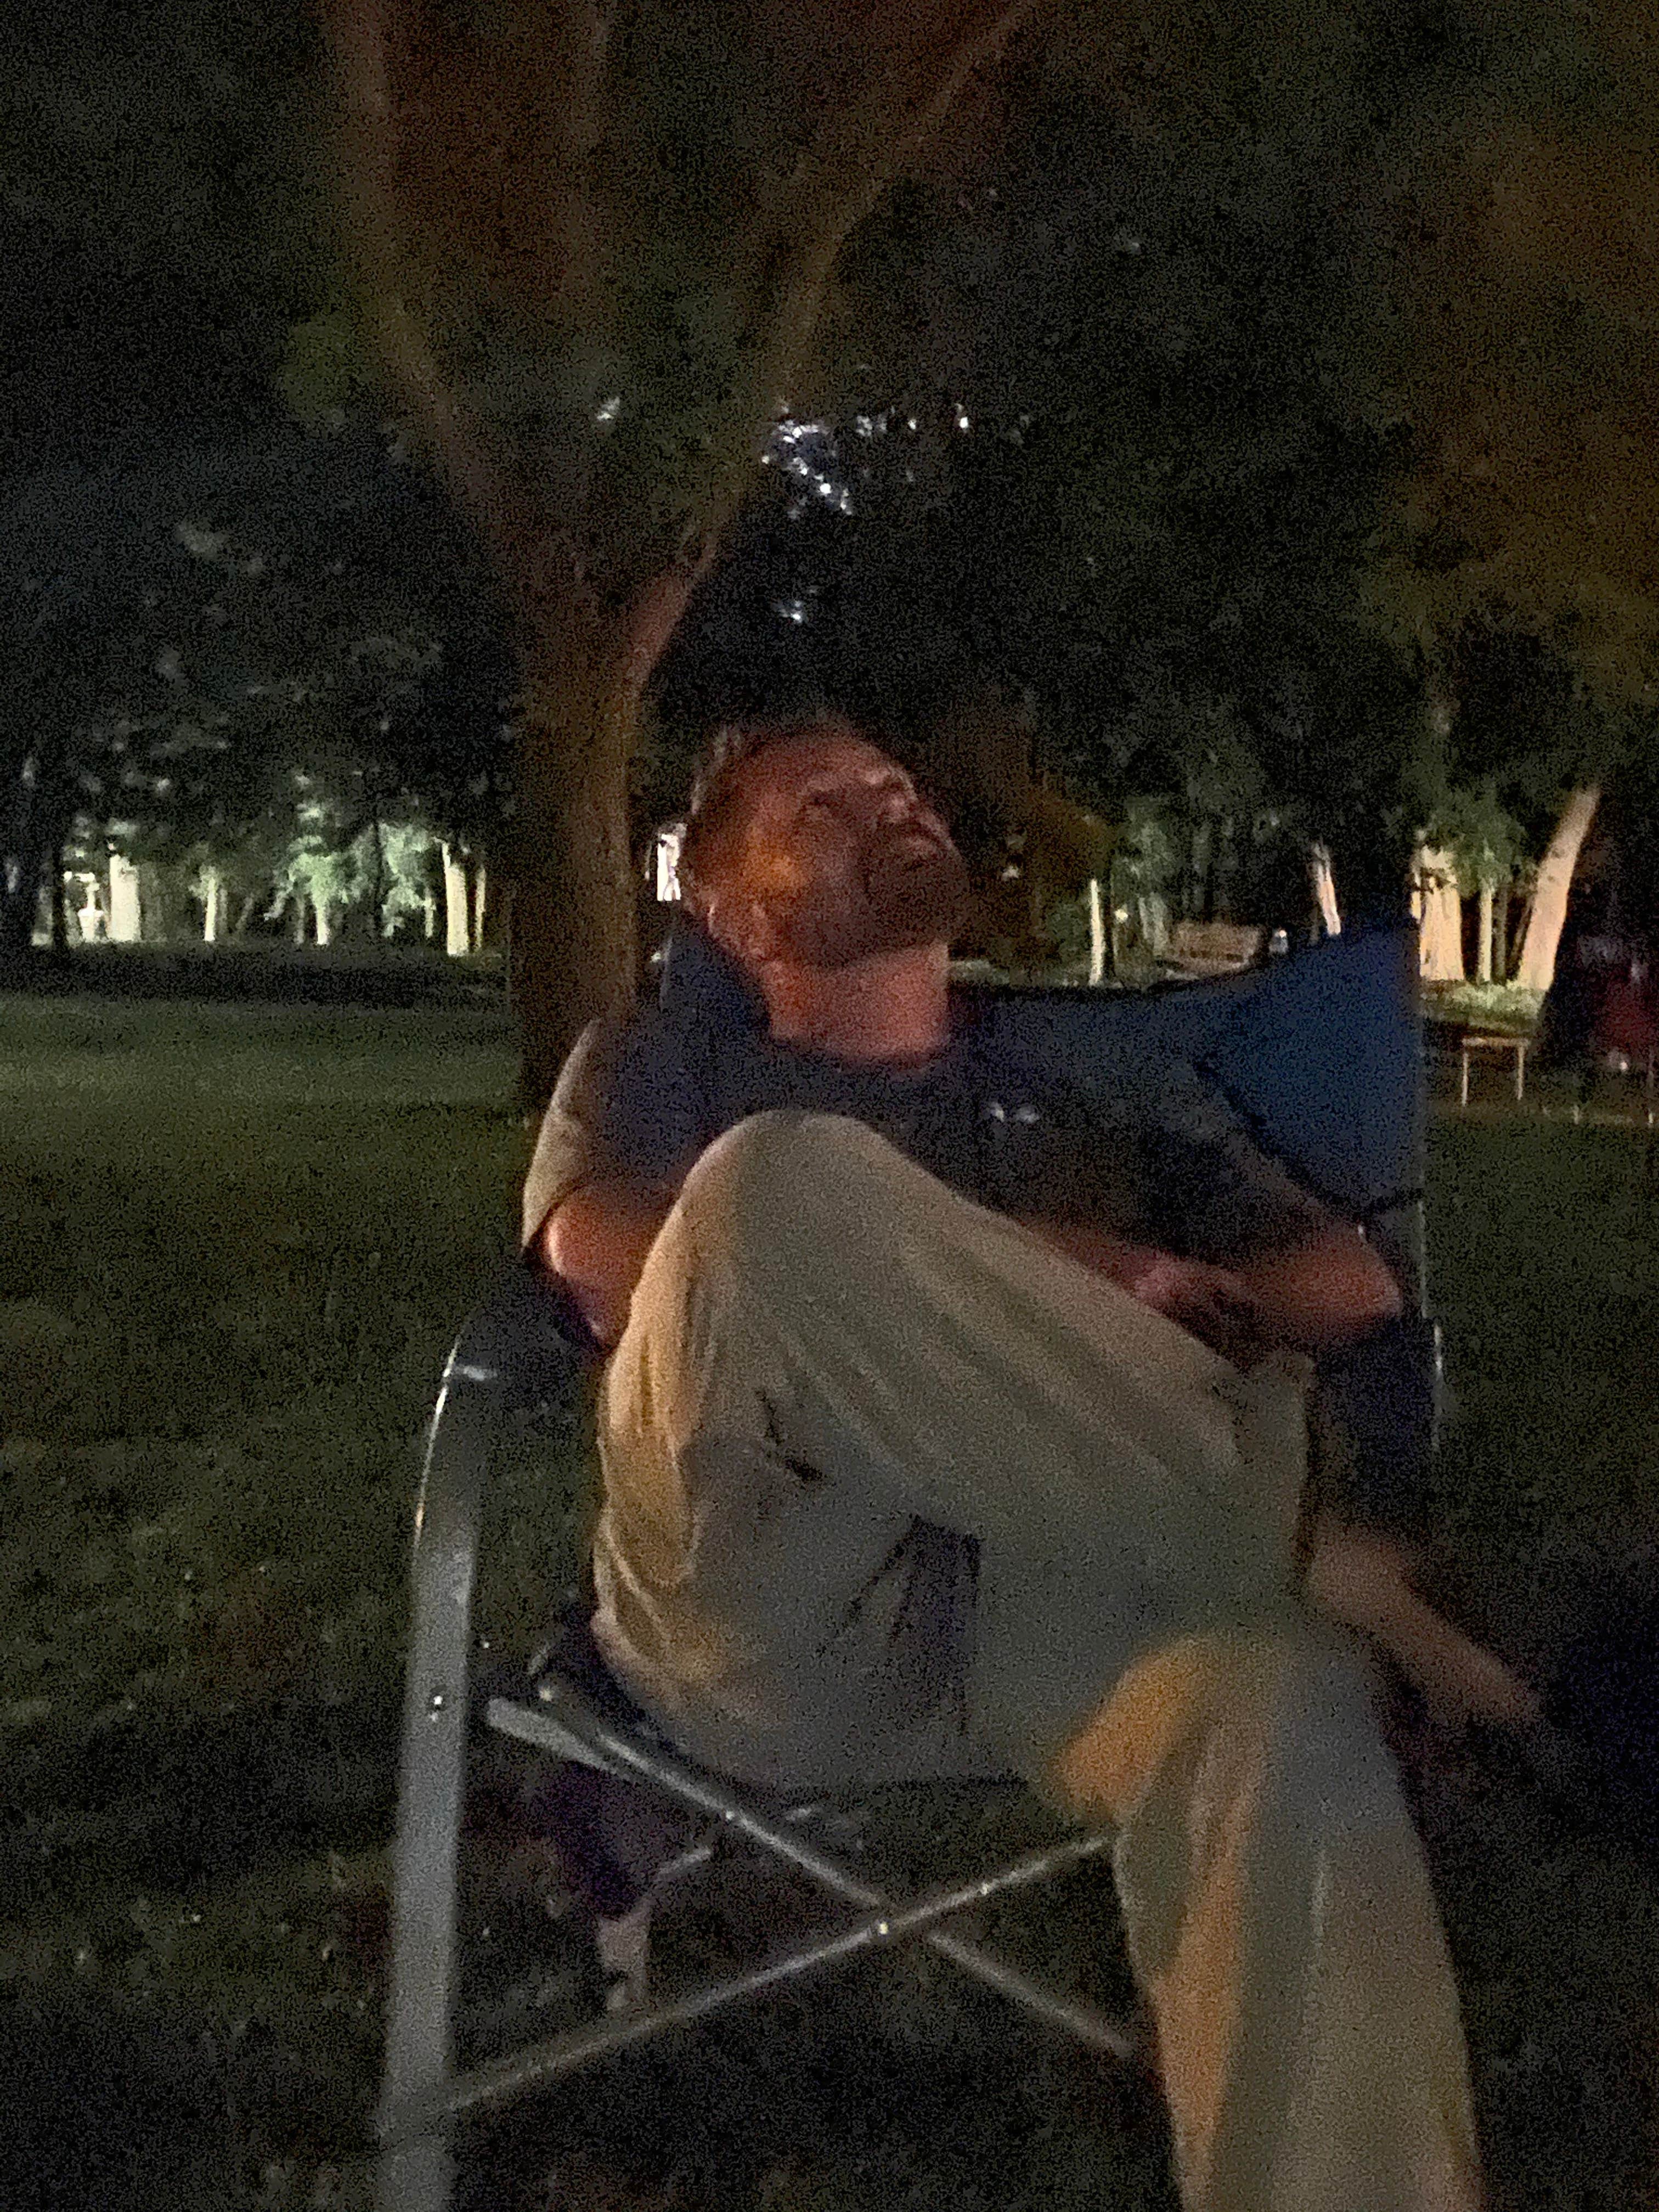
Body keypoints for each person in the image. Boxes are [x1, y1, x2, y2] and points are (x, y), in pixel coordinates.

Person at [524, 712, 1538, 2212]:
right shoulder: (675, 1066)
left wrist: (1163, 1296)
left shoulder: (1089, 1085)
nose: (888, 805)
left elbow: (1349, 1283)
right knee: (769, 1194)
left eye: (896, 787)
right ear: (732, 916)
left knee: (1283, 1705)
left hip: (1081, 1594)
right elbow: (600, 1255)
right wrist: (1075, 1265)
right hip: (783, 1611)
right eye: (822, 806)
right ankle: (1351, 1556)